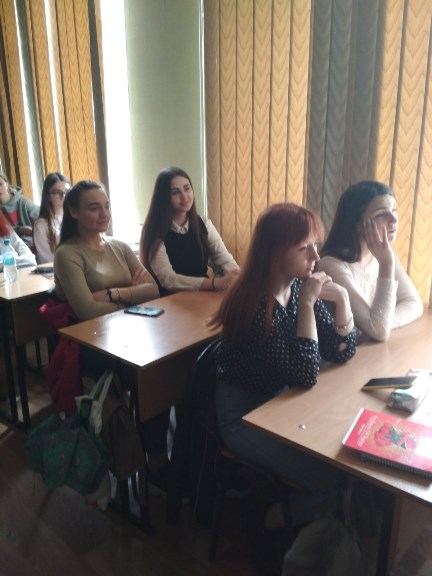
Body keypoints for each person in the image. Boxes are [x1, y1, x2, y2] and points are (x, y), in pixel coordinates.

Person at [210, 203, 357, 530]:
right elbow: (306, 374)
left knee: (344, 459)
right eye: (304, 248)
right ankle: (273, 520)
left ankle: (310, 516)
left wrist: (343, 299)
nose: (316, 257)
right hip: (245, 416)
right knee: (329, 477)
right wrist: (308, 304)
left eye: (315, 245)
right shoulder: (255, 305)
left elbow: (342, 349)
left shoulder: (297, 287)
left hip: (281, 400)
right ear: (275, 252)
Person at [316, 181, 423, 342]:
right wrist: (386, 265)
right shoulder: (331, 265)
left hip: (369, 351)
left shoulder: (384, 254)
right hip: (341, 356)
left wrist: (384, 323)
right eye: (381, 214)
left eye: (394, 210)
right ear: (357, 225)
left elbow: (414, 303)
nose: (394, 219)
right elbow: (378, 331)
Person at [140, 166, 239, 295]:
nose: (184, 196)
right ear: (164, 198)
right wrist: (215, 283)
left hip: (203, 295)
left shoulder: (204, 224)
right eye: (175, 192)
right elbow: (169, 280)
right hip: (170, 300)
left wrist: (237, 277)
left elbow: (224, 258)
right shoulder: (154, 231)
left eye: (187, 188)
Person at [33, 172, 71, 263]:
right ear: (48, 196)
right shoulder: (41, 224)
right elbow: (47, 259)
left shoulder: (76, 217)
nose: (63, 196)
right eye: (58, 192)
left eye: (67, 192)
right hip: (56, 268)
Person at [0, 172, 39, 244]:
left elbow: (42, 217)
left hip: (30, 245)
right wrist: (19, 230)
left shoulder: (23, 202)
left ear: (7, 184)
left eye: (0, 184)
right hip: (8, 246)